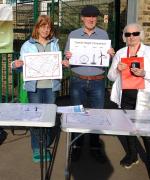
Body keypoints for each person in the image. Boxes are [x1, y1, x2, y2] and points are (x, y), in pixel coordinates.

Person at [108, 23, 150, 179]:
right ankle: (133, 155)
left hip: (144, 98)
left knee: (147, 133)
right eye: (128, 34)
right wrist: (117, 69)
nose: (131, 37)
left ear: (141, 34)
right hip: (125, 97)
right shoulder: (120, 53)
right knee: (129, 128)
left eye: (135, 33)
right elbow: (111, 77)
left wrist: (144, 73)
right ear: (124, 37)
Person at [64, 5, 115, 163]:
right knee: (77, 114)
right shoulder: (73, 35)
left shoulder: (103, 34)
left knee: (96, 115)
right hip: (78, 80)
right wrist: (68, 56)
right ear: (82, 18)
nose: (91, 19)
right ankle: (77, 146)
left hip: (98, 81)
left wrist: (110, 55)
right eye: (88, 16)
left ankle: (94, 147)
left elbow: (107, 60)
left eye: (94, 16)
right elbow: (67, 59)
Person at [12, 15, 64, 163]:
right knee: (35, 118)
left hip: (51, 87)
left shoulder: (55, 44)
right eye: (43, 26)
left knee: (48, 117)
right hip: (34, 88)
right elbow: (21, 67)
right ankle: (36, 147)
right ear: (37, 27)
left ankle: (45, 144)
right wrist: (16, 65)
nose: (46, 30)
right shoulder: (27, 45)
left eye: (48, 27)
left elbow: (57, 64)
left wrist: (63, 63)